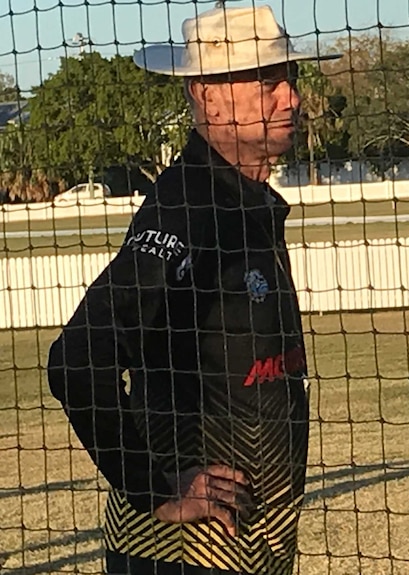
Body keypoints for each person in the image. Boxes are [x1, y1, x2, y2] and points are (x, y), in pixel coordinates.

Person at [46, 5, 339, 574]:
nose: (292, 99)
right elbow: (78, 359)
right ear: (207, 97)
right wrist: (152, 489)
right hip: (182, 555)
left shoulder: (240, 201)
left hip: (245, 547)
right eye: (267, 82)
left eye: (290, 80)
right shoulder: (186, 208)